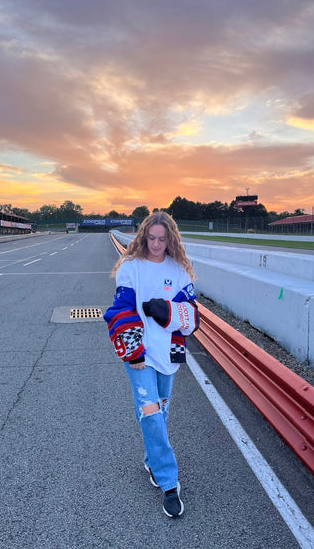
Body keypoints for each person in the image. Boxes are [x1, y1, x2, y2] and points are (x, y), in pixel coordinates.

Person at [104, 212, 199, 517]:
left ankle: (151, 458)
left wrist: (170, 311)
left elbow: (192, 316)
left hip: (169, 353)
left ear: (170, 239)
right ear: (144, 236)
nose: (156, 244)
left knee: (161, 411)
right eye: (151, 238)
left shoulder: (180, 270)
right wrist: (133, 352)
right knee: (149, 413)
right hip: (141, 354)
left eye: (162, 239)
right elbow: (120, 309)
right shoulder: (131, 268)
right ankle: (169, 482)